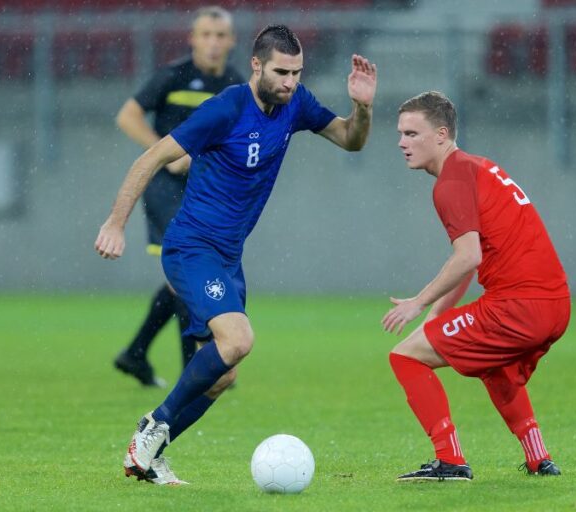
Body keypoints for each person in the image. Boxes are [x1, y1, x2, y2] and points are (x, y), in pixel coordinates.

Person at [95, 24, 377, 486]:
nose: (290, 82)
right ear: (256, 65)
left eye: (297, 72)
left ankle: (148, 460)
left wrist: (362, 108)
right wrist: (114, 223)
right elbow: (150, 159)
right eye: (281, 72)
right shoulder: (224, 109)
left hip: (227, 257)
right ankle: (154, 424)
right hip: (190, 248)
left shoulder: (297, 103)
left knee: (221, 375)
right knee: (239, 339)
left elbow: (351, 139)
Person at [383, 91, 570, 481]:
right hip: (555, 306)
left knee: (405, 357)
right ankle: (538, 457)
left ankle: (449, 460)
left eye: (412, 133)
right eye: (400, 133)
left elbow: (467, 256)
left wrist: (417, 303)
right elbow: (475, 257)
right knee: (496, 363)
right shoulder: (477, 167)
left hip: (517, 308)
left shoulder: (450, 182)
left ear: (441, 134)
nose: (401, 142)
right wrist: (439, 314)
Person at [112, 6, 245, 388]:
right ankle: (198, 365)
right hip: (165, 189)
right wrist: (166, 154)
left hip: (205, 193)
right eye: (206, 35)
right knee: (186, 271)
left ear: (232, 41)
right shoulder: (174, 75)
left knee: (182, 280)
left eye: (221, 36)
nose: (214, 43)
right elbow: (128, 116)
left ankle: (137, 353)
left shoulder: (235, 84)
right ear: (193, 38)